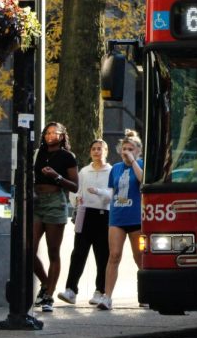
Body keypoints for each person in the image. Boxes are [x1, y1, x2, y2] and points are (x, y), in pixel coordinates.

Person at [57, 138, 112, 307]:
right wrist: (76, 200)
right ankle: (71, 289)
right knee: (78, 253)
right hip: (85, 213)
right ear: (90, 152)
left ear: (106, 151)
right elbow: (75, 190)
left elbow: (112, 194)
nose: (97, 152)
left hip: (104, 215)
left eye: (100, 149)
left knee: (102, 255)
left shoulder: (111, 171)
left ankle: (100, 290)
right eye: (94, 149)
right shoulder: (84, 172)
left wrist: (99, 192)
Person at [32, 122, 79, 312]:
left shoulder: (67, 157)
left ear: (62, 136)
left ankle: (49, 296)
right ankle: (45, 283)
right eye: (47, 132)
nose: (50, 135)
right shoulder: (38, 154)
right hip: (37, 202)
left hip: (55, 202)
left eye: (55, 133)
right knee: (29, 249)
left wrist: (56, 176)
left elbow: (75, 186)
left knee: (53, 251)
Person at [97, 129, 144, 311]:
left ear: (138, 151)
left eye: (130, 149)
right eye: (124, 148)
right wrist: (100, 194)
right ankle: (107, 297)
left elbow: (143, 181)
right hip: (117, 216)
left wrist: (133, 162)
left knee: (139, 257)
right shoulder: (115, 168)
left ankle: (144, 294)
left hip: (135, 217)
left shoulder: (140, 164)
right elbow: (112, 190)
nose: (126, 152)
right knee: (114, 255)